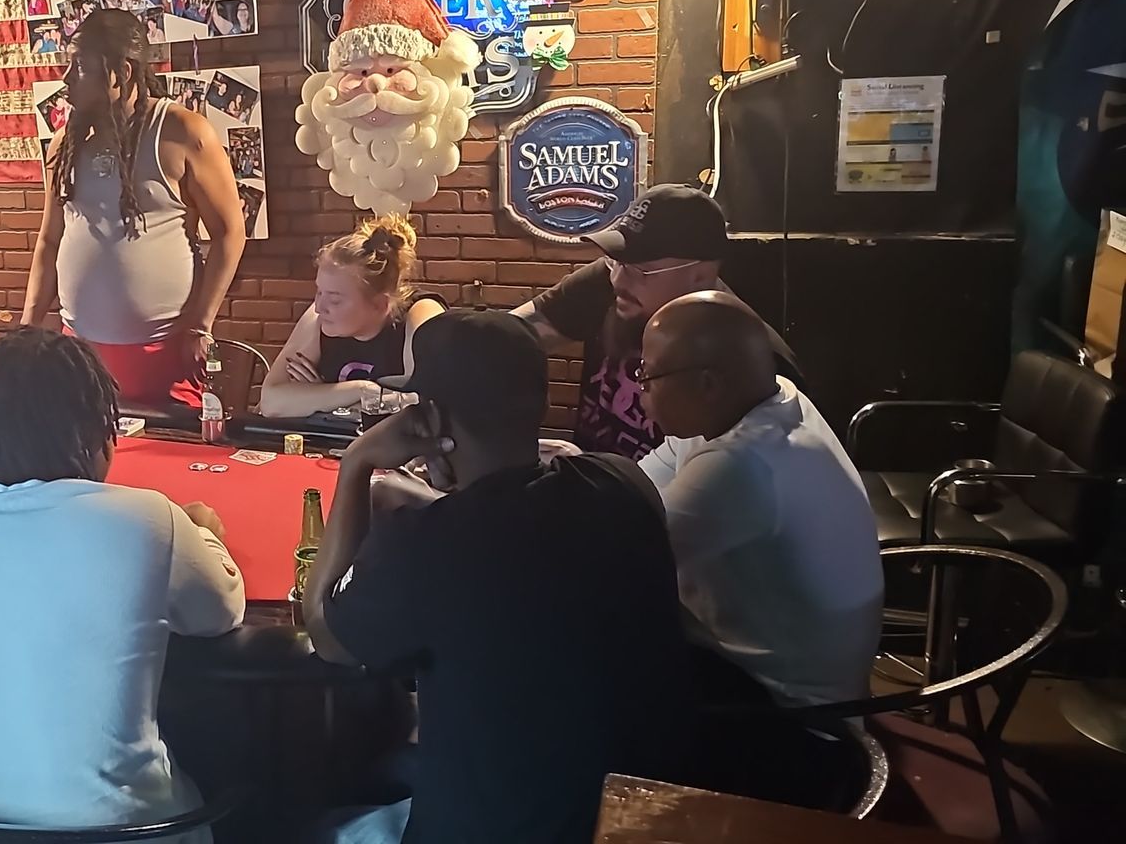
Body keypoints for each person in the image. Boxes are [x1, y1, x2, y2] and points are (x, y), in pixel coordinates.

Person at [304, 310, 694, 844]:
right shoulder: (621, 484)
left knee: (314, 820)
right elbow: (515, 529)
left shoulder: (428, 545)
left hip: (485, 830)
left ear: (431, 418)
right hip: (632, 820)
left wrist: (357, 464)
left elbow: (329, 638)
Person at [0, 327, 243, 837]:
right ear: (95, 432)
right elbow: (222, 612)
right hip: (122, 835)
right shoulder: (146, 519)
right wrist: (200, 531)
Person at [637, 291, 883, 707]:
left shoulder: (743, 462)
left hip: (792, 711)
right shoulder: (770, 397)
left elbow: (619, 558)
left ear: (707, 384)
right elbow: (642, 483)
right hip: (811, 675)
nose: (640, 390)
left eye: (647, 375)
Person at [22, 9, 245, 409]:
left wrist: (201, 323)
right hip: (81, 351)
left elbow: (230, 232)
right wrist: (29, 325)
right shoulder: (64, 145)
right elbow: (49, 240)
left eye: (81, 67)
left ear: (121, 73)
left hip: (164, 351)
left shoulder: (183, 131)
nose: (66, 78)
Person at [514, 184, 800, 460]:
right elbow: (513, 335)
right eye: (616, 261)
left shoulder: (754, 362)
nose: (618, 280)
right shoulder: (609, 280)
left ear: (700, 276)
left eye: (641, 269)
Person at [261, 216, 445, 417]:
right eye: (319, 292)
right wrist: (360, 390)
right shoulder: (321, 318)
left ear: (380, 304)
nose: (319, 307)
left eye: (335, 299)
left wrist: (319, 399)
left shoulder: (421, 314)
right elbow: (271, 402)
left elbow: (426, 408)